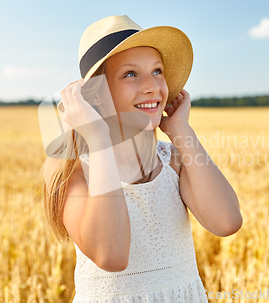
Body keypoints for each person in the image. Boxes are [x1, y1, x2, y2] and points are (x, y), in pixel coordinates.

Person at [42, 15, 242, 302]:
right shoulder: (70, 167)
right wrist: (98, 137)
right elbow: (111, 255)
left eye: (157, 71)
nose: (152, 86)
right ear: (96, 94)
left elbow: (227, 221)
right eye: (131, 74)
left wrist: (182, 131)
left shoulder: (172, 159)